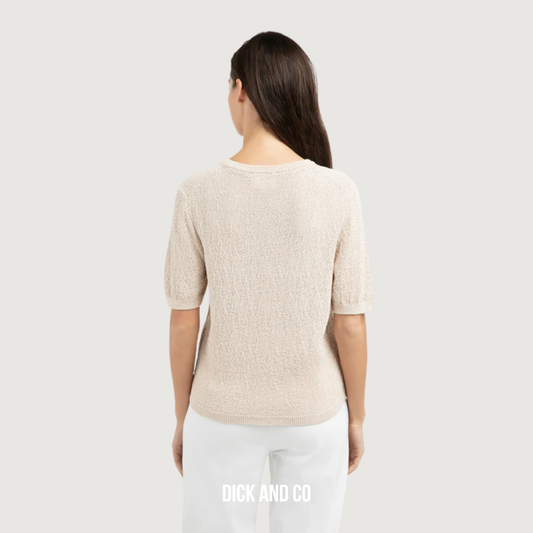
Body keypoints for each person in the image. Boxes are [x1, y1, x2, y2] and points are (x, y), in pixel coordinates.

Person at [164, 31, 373, 533]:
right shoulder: (338, 191)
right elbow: (350, 323)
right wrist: (357, 417)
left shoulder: (197, 192)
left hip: (220, 413)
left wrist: (182, 416)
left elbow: (183, 319)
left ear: (240, 89)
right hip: (314, 413)